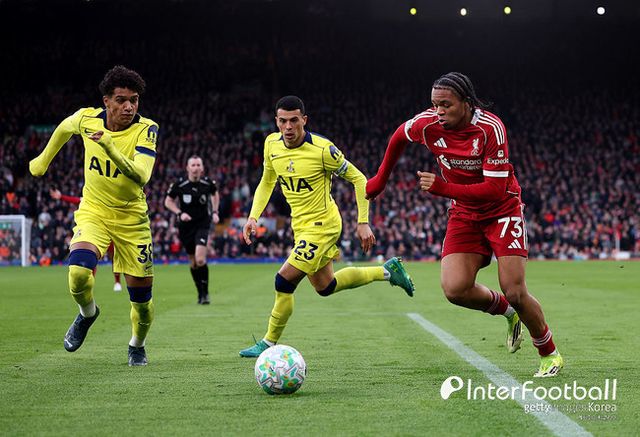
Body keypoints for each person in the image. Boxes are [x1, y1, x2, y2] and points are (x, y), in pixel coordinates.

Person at [366, 72, 563, 377]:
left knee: (514, 289)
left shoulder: (490, 128)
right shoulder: (427, 124)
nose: (439, 111)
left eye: (446, 104)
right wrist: (381, 179)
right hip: (464, 213)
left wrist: (441, 188)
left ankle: (549, 353)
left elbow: (494, 190)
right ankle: (508, 312)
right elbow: (398, 137)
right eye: (435, 104)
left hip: (502, 210)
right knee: (455, 289)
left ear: (467, 103)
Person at [239, 95, 415, 358]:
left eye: (294, 120)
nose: (288, 127)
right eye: (283, 121)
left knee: (283, 280)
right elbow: (267, 180)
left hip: (323, 225)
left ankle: (268, 343)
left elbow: (359, 179)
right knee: (326, 286)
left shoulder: (323, 150)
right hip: (301, 226)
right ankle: (388, 271)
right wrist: (253, 216)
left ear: (304, 120)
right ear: (276, 121)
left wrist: (363, 222)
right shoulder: (271, 144)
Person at [29, 65, 159, 366]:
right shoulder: (87, 118)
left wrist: (110, 146)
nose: (129, 107)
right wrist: (42, 160)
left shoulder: (146, 129)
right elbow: (64, 128)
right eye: (121, 100)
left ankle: (137, 345)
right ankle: (87, 314)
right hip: (94, 211)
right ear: (106, 101)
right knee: (77, 273)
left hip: (132, 220)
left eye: (134, 100)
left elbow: (142, 175)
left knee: (141, 303)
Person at [164, 156, 220, 304]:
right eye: (193, 165)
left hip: (202, 224)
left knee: (200, 259)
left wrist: (215, 212)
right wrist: (179, 213)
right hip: (186, 227)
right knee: (193, 262)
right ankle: (200, 293)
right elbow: (168, 201)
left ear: (202, 168)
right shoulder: (180, 184)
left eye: (198, 165)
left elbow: (215, 194)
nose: (195, 168)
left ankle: (205, 293)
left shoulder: (207, 183)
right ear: (188, 168)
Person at [49, 188, 123, 291]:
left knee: (114, 258)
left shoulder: (109, 198)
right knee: (92, 257)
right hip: (95, 232)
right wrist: (61, 197)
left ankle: (117, 282)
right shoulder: (91, 199)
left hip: (110, 232)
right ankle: (90, 283)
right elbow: (76, 200)